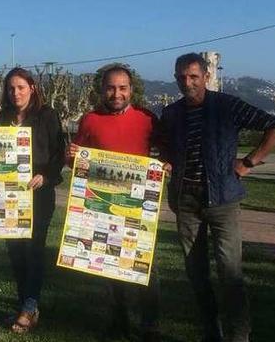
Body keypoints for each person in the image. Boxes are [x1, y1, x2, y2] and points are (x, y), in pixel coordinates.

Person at [160, 52, 275, 342]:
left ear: (206, 76)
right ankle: (211, 332)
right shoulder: (171, 114)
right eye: (181, 77)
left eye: (193, 76)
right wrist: (166, 160)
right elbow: (166, 148)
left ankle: (239, 335)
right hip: (186, 201)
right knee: (196, 273)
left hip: (223, 200)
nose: (187, 82)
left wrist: (249, 162)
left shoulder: (226, 105)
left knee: (230, 273)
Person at [67, 64, 162, 342]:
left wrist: (165, 163)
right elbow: (77, 160)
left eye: (122, 88)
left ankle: (150, 326)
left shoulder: (147, 119)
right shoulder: (90, 120)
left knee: (147, 267)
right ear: (102, 89)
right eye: (111, 87)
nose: (116, 93)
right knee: (109, 265)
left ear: (131, 90)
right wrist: (72, 155)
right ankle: (117, 320)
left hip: (139, 205)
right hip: (103, 206)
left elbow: (164, 151)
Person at [0, 67, 64, 334]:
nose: (16, 93)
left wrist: (45, 176)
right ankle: (24, 302)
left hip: (39, 194)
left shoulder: (47, 116)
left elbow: (59, 154)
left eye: (21, 87)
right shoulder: (3, 117)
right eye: (11, 89)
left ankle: (30, 305)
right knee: (14, 250)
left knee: (34, 249)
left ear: (32, 88)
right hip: (10, 195)